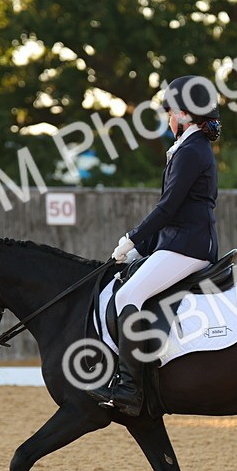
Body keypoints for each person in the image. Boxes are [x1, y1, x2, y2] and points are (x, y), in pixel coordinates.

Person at [89, 76, 222, 416]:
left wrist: (131, 239)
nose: (168, 119)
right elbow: (171, 211)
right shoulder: (188, 148)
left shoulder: (191, 151)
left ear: (184, 114)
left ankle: (130, 388)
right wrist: (141, 247)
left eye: (170, 112)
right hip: (178, 241)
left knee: (127, 296)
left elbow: (167, 208)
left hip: (189, 246)